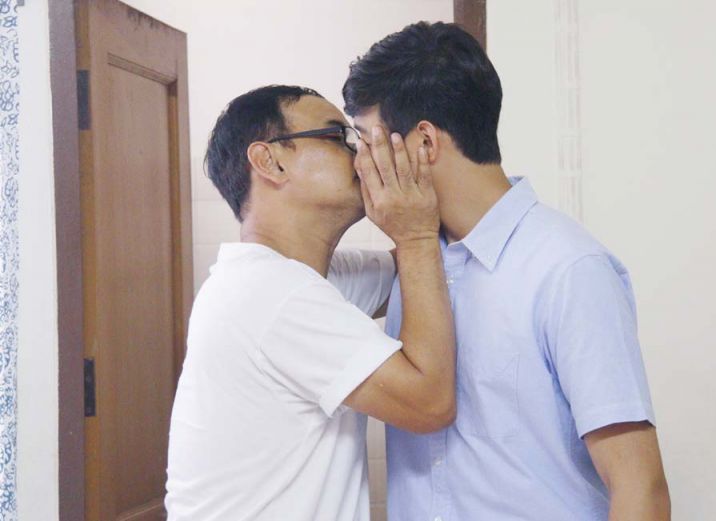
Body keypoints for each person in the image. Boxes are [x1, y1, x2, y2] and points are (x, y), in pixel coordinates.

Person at [343, 22, 671, 520]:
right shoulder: (415, 259)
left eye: (368, 142)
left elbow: (640, 488)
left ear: (425, 143)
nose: (360, 165)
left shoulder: (567, 270)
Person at [165, 85, 455, 521]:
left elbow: (417, 271)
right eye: (338, 137)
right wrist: (414, 234)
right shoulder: (271, 294)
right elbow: (429, 404)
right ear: (270, 161)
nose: (361, 155)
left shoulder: (301, 279)